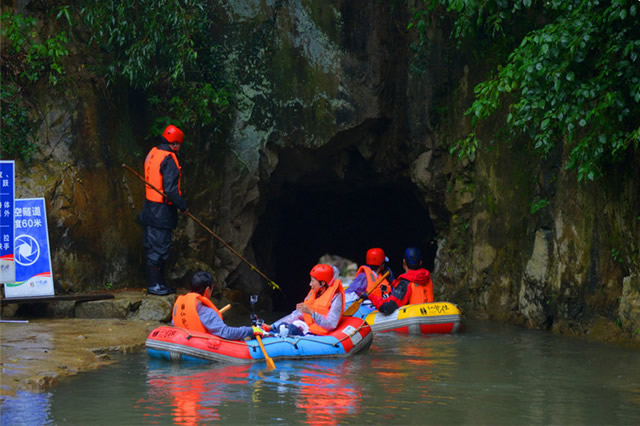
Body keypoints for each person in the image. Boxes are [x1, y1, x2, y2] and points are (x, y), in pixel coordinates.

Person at [140, 124, 188, 295]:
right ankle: (154, 285)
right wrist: (182, 206)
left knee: (154, 247)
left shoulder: (152, 154)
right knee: (158, 249)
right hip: (161, 211)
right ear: (174, 144)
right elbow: (170, 190)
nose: (179, 148)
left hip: (149, 208)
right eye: (179, 145)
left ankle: (160, 283)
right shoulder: (168, 159)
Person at [172, 271, 265, 340]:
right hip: (199, 346)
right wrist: (251, 330)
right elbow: (226, 333)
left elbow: (174, 322)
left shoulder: (179, 305)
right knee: (246, 338)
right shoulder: (206, 312)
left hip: (183, 342)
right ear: (208, 290)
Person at [265, 264, 345, 336]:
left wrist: (311, 312)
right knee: (282, 326)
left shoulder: (336, 298)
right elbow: (297, 315)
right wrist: (273, 325)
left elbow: (331, 325)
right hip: (303, 326)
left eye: (313, 281)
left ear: (322, 283)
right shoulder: (313, 293)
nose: (310, 284)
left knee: (286, 330)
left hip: (316, 334)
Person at [365, 247, 433, 314]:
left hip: (414, 320)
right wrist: (392, 281)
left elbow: (387, 307)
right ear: (420, 263)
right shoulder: (427, 278)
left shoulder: (405, 282)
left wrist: (369, 296)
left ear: (404, 262)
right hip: (430, 317)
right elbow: (406, 290)